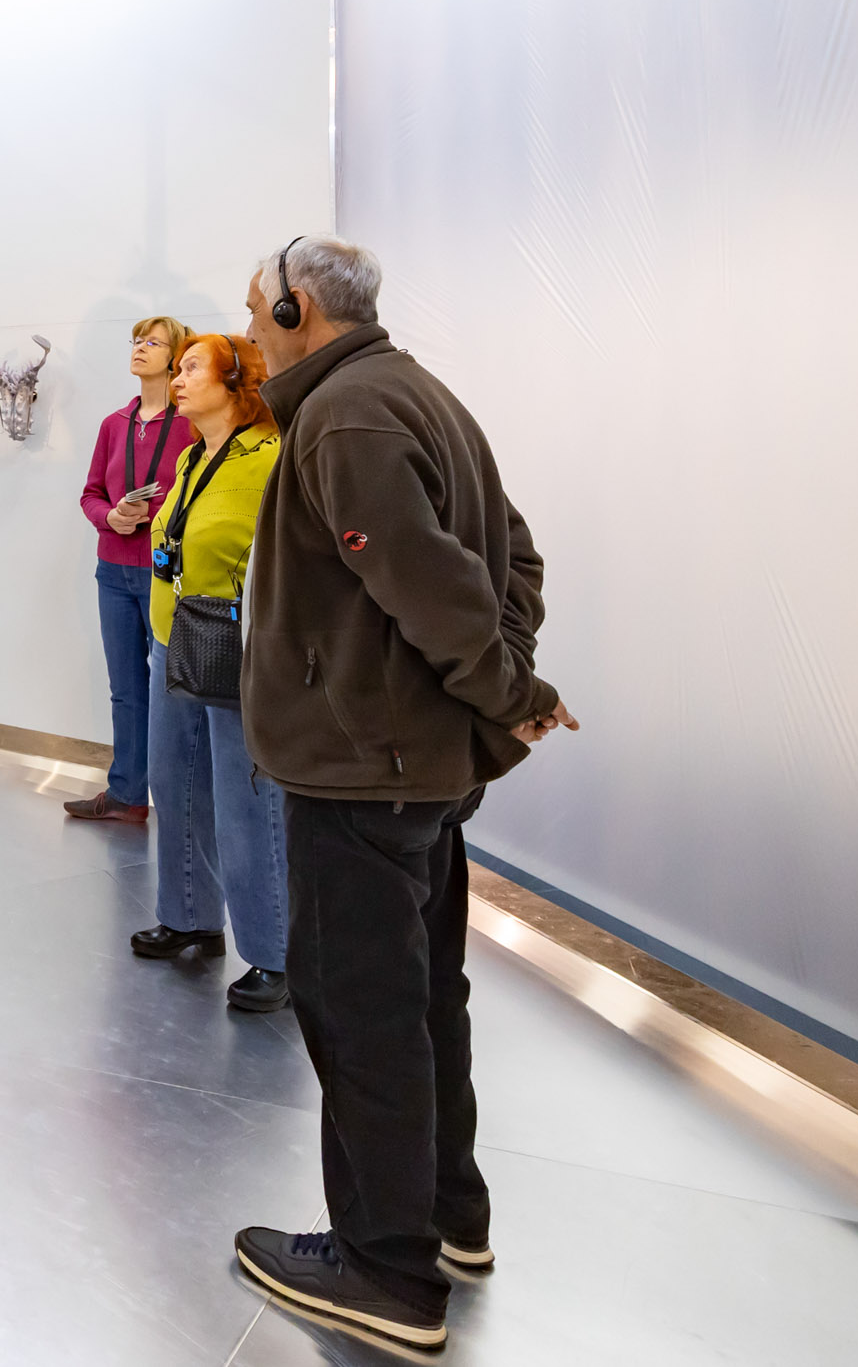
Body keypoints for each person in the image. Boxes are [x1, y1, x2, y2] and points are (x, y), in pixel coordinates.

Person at [228, 235, 576, 1352]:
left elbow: (435, 589)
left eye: (256, 312)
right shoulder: (412, 393)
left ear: (298, 310)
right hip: (407, 768)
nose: (248, 333)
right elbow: (515, 560)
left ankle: (384, 1269)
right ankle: (447, 1218)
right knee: (422, 997)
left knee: (362, 1011)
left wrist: (511, 694)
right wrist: (498, 690)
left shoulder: (346, 416)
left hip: (362, 775)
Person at [125, 333, 289, 1013]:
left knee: (245, 804)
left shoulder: (273, 457)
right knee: (173, 782)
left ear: (235, 383)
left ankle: (275, 956)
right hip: (173, 640)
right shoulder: (191, 456)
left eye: (193, 367)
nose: (178, 377)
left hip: (235, 649)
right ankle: (190, 917)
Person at [69, 316, 193, 824]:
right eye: (137, 340)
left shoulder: (191, 423)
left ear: (175, 356)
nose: (139, 348)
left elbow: (196, 495)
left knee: (174, 691)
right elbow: (90, 494)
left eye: (152, 342)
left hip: (167, 574)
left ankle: (180, 800)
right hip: (113, 572)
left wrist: (153, 513)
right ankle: (127, 795)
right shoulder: (113, 424)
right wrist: (111, 517)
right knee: (125, 688)